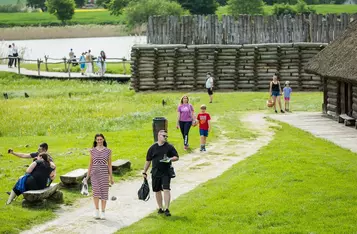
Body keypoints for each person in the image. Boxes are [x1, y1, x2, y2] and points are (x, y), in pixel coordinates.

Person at [142, 130, 179, 217]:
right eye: (164, 136)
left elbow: (176, 157)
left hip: (166, 171)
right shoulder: (152, 148)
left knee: (166, 189)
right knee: (157, 190)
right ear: (159, 136)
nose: (165, 138)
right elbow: (148, 160)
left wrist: (169, 159)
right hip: (155, 171)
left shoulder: (169, 147)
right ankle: (160, 208)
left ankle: (167, 208)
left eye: (166, 136)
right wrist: (144, 171)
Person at [84, 133, 114, 220]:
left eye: (101, 139)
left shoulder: (108, 151)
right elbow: (90, 164)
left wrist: (111, 177)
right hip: (94, 174)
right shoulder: (92, 151)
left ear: (103, 140)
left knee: (104, 192)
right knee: (96, 192)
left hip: (104, 173)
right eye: (98, 140)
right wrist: (87, 176)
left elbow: (109, 165)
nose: (99, 141)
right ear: (95, 140)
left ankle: (103, 212)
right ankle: (97, 210)